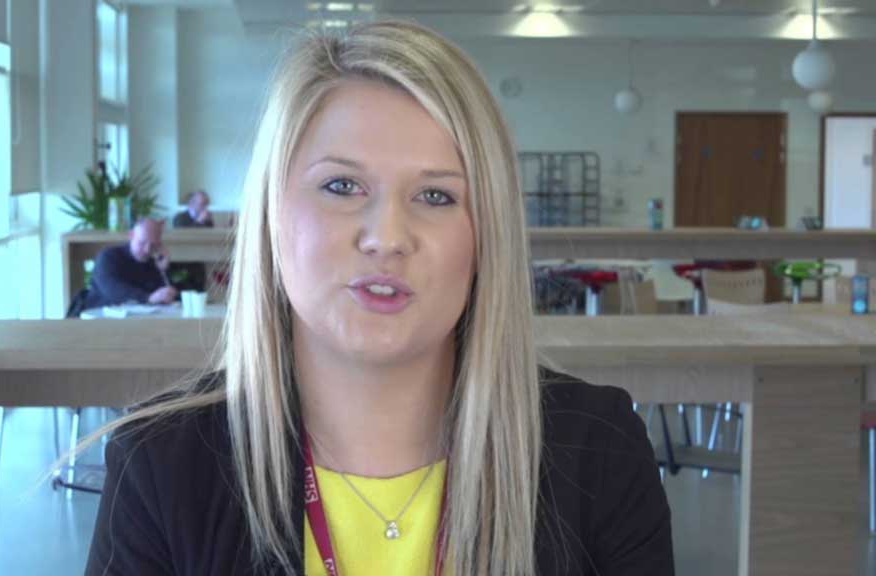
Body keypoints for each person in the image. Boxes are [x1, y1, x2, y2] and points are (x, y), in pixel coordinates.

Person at [84, 20, 673, 575]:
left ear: (486, 233)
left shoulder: (600, 452)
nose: (387, 237)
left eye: (437, 196)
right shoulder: (159, 465)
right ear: (271, 214)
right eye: (342, 186)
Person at [82, 218, 177, 310]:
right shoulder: (109, 257)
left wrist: (163, 270)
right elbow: (112, 290)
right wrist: (148, 298)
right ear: (131, 235)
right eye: (142, 243)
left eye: (153, 245)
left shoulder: (154, 263)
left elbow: (167, 298)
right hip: (102, 317)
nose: (147, 250)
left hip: (141, 320)